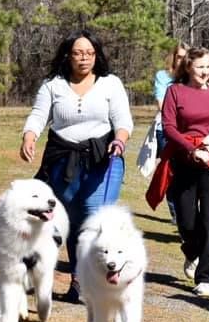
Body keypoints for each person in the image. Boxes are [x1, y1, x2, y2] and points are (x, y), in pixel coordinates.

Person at [20, 30, 133, 303]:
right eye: (78, 53)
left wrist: (119, 140)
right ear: (68, 56)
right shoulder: (53, 85)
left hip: (103, 159)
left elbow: (123, 121)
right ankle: (78, 280)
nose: (84, 58)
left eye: (90, 53)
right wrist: (29, 136)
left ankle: (91, 279)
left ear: (97, 56)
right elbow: (38, 116)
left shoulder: (110, 84)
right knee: (69, 219)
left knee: (93, 218)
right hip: (63, 160)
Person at [145, 47, 209, 298]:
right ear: (187, 67)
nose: (205, 72)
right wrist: (192, 148)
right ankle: (191, 251)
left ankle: (205, 279)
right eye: (200, 67)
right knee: (187, 222)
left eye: (208, 66)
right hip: (183, 161)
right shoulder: (175, 92)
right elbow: (169, 128)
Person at [153, 43, 189, 153]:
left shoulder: (191, 78)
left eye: (185, 57)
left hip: (188, 130)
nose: (182, 61)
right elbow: (161, 105)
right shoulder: (162, 76)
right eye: (179, 57)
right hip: (166, 129)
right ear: (173, 57)